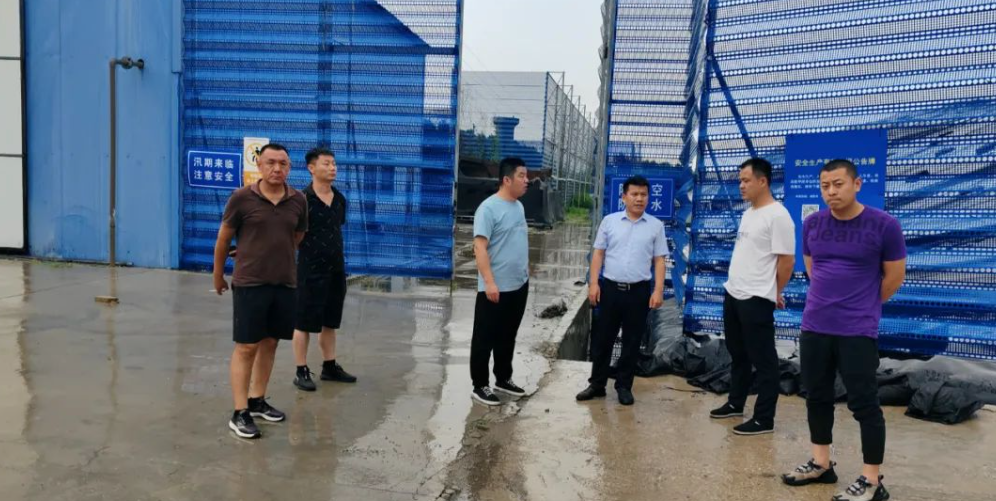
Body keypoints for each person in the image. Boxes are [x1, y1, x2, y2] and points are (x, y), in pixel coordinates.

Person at [782, 159, 906, 501]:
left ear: (857, 184)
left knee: (864, 403)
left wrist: (862, 304)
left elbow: (894, 276)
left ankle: (871, 480)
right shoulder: (813, 224)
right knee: (817, 396)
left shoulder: (884, 225)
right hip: (815, 325)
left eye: (838, 184)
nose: (831, 192)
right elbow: (813, 269)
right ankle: (821, 464)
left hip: (857, 330)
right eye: (825, 186)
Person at [213, 143, 308, 439]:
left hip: (284, 283)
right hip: (250, 283)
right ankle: (239, 412)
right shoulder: (241, 198)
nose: (277, 168)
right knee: (246, 346)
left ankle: (257, 400)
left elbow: (297, 236)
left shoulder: (299, 200)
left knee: (270, 342)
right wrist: (218, 275)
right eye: (270, 162)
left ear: (289, 167)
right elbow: (223, 238)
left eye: (283, 163)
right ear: (259, 165)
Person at [709, 158, 795, 435]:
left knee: (765, 361)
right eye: (740, 181)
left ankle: (764, 418)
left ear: (763, 181)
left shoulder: (778, 216)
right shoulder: (749, 213)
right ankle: (736, 403)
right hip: (734, 292)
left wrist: (774, 291)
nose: (741, 186)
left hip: (756, 297)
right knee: (738, 354)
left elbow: (786, 261)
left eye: (746, 180)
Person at [576, 175, 668, 406]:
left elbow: (659, 260)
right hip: (610, 289)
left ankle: (624, 386)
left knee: (632, 341)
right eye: (634, 194)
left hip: (638, 292)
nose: (639, 199)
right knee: (603, 339)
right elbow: (598, 253)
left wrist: (658, 290)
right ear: (624, 197)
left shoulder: (655, 226)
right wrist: (594, 284)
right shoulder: (609, 222)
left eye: (643, 194)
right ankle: (597, 384)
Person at [292, 147, 356, 392]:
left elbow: (336, 228)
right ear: (311, 168)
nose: (333, 168)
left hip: (336, 270)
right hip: (310, 270)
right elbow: (294, 235)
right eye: (326, 164)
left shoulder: (339, 199)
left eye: (334, 164)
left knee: (330, 321)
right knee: (304, 322)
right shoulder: (301, 200)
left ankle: (329, 366)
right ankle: (301, 370)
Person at [469, 157, 531, 406]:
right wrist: (489, 282)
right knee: (485, 337)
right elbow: (479, 248)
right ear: (507, 179)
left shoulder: (519, 207)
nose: (527, 181)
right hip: (495, 287)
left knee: (508, 335)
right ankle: (480, 385)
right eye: (521, 176)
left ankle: (503, 378)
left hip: (519, 284)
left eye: (526, 176)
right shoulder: (488, 209)